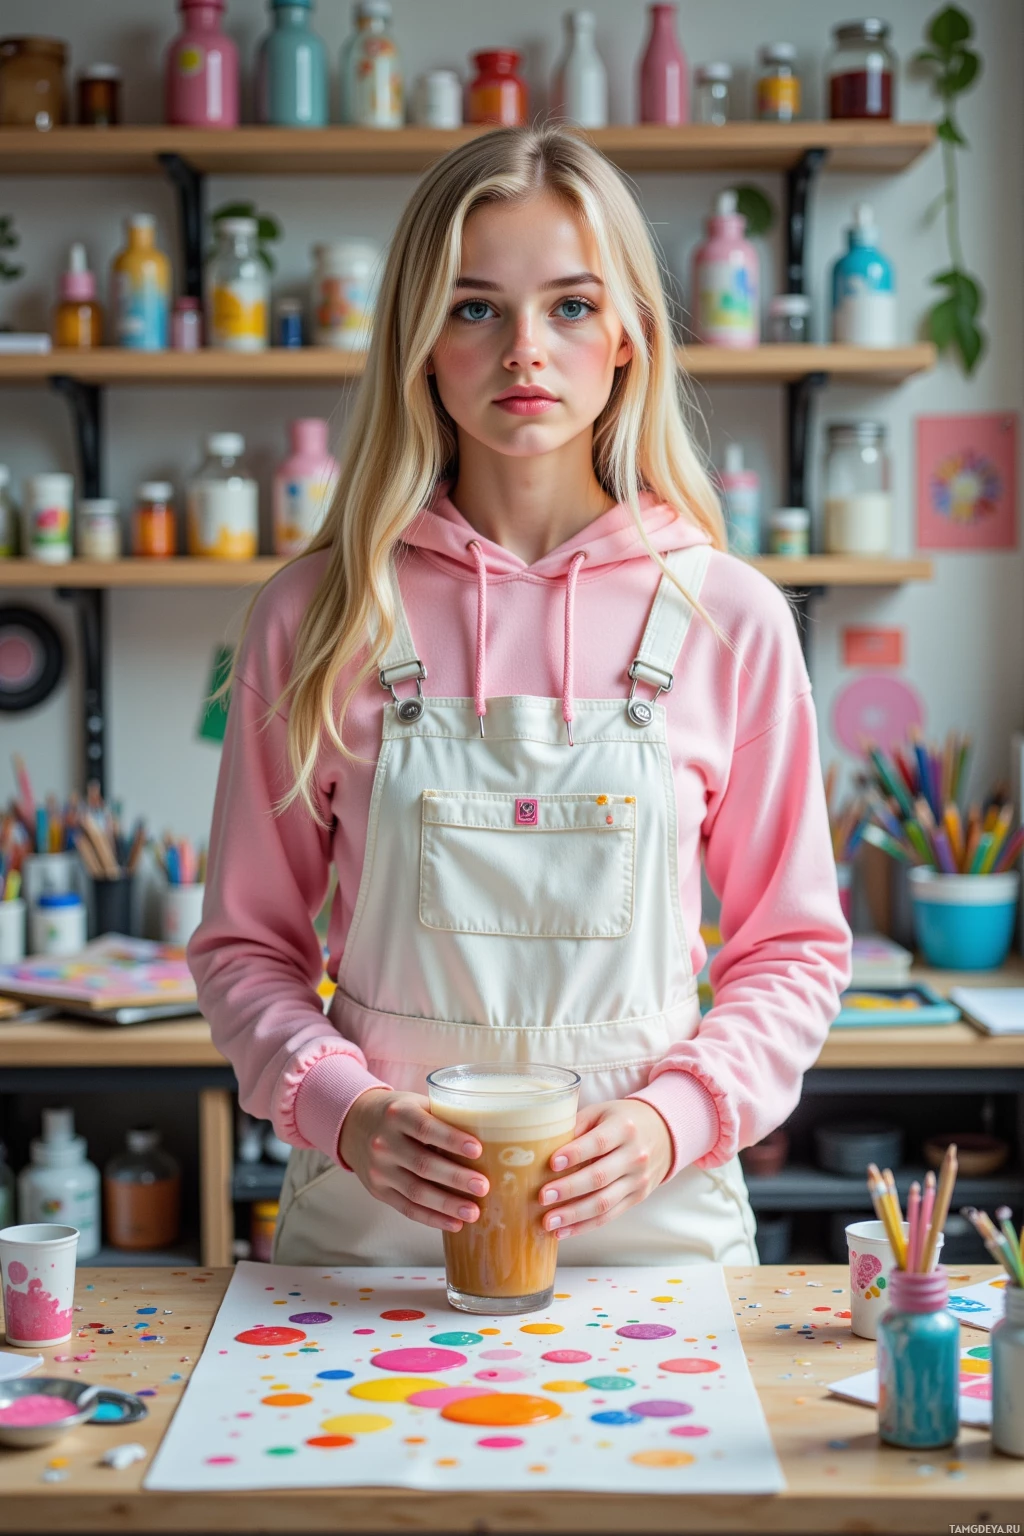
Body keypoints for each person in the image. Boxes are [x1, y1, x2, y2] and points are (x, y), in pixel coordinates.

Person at [189, 125, 851, 1268]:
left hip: (653, 1230)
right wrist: (346, 1110)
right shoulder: (316, 614)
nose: (524, 352)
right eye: (474, 308)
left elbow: (793, 949)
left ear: (630, 335)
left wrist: (673, 1118)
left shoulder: (726, 617)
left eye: (572, 306)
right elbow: (244, 948)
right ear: (417, 338)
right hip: (377, 1238)